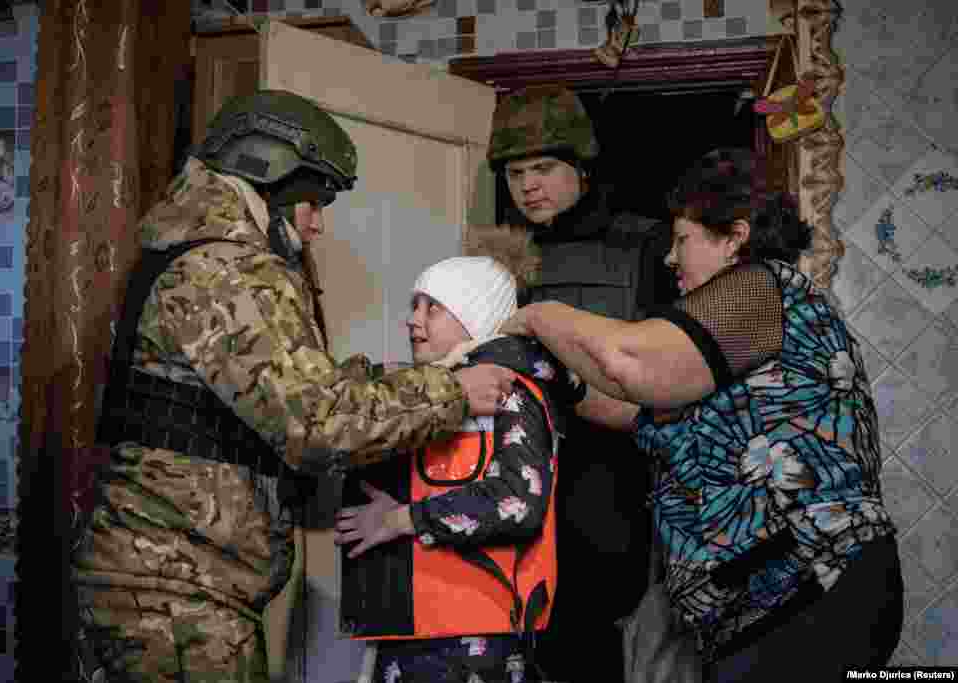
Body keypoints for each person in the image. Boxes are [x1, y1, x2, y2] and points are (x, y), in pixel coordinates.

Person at [70, 90, 517, 683]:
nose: (316, 224)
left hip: (161, 578)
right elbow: (317, 423)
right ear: (268, 172)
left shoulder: (187, 253)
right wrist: (452, 393)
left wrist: (401, 381)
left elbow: (284, 391)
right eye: (313, 200)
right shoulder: (230, 270)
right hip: (177, 587)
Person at [499, 148, 903, 680]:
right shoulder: (723, 345)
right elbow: (630, 406)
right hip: (767, 603)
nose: (670, 258)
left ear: (734, 238)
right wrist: (548, 374)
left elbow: (628, 362)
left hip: (815, 584)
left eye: (683, 240)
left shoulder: (762, 286)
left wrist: (536, 314)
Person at [335, 244, 575, 683]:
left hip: (474, 638)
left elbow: (518, 503)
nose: (413, 319)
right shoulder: (436, 394)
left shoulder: (509, 390)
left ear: (475, 317)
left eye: (434, 308)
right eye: (414, 306)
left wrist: (399, 520)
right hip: (422, 630)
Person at [486, 84, 662, 681]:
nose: (528, 185)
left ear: (581, 171)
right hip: (516, 472)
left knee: (599, 643)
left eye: (544, 168)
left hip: (610, 478)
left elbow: (673, 376)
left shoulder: (644, 244)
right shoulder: (495, 253)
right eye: (515, 173)